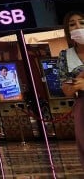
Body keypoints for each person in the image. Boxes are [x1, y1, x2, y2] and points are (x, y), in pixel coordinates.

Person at [58, 9, 84, 165]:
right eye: (72, 24)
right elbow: (66, 89)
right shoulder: (65, 56)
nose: (78, 27)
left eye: (82, 23)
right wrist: (76, 85)